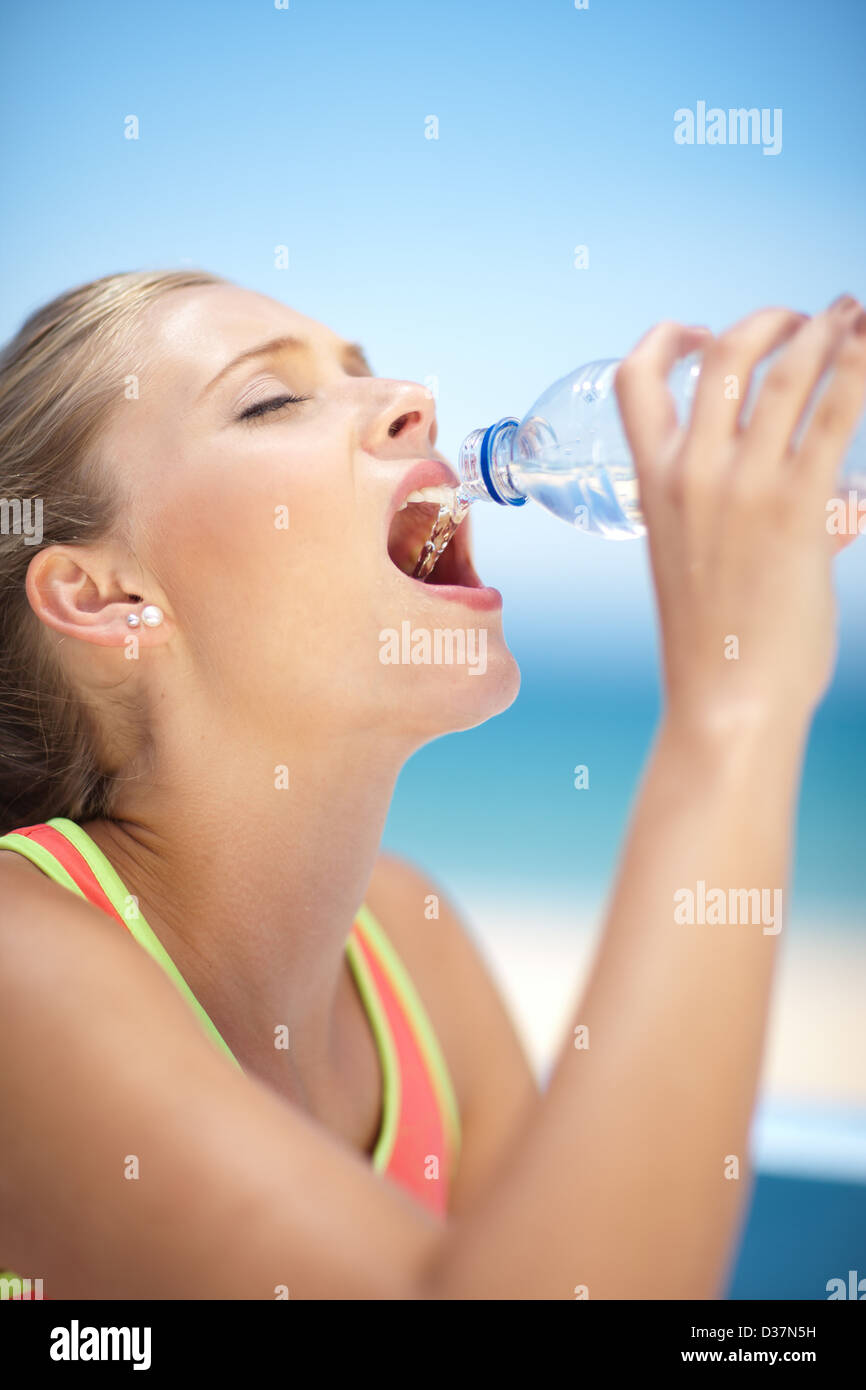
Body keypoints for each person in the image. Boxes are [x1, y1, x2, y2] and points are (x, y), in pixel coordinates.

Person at [0, 272, 862, 1299]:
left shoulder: (413, 943)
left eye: (366, 370)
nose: (417, 399)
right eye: (269, 400)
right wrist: (733, 713)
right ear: (109, 597)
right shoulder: (20, 961)